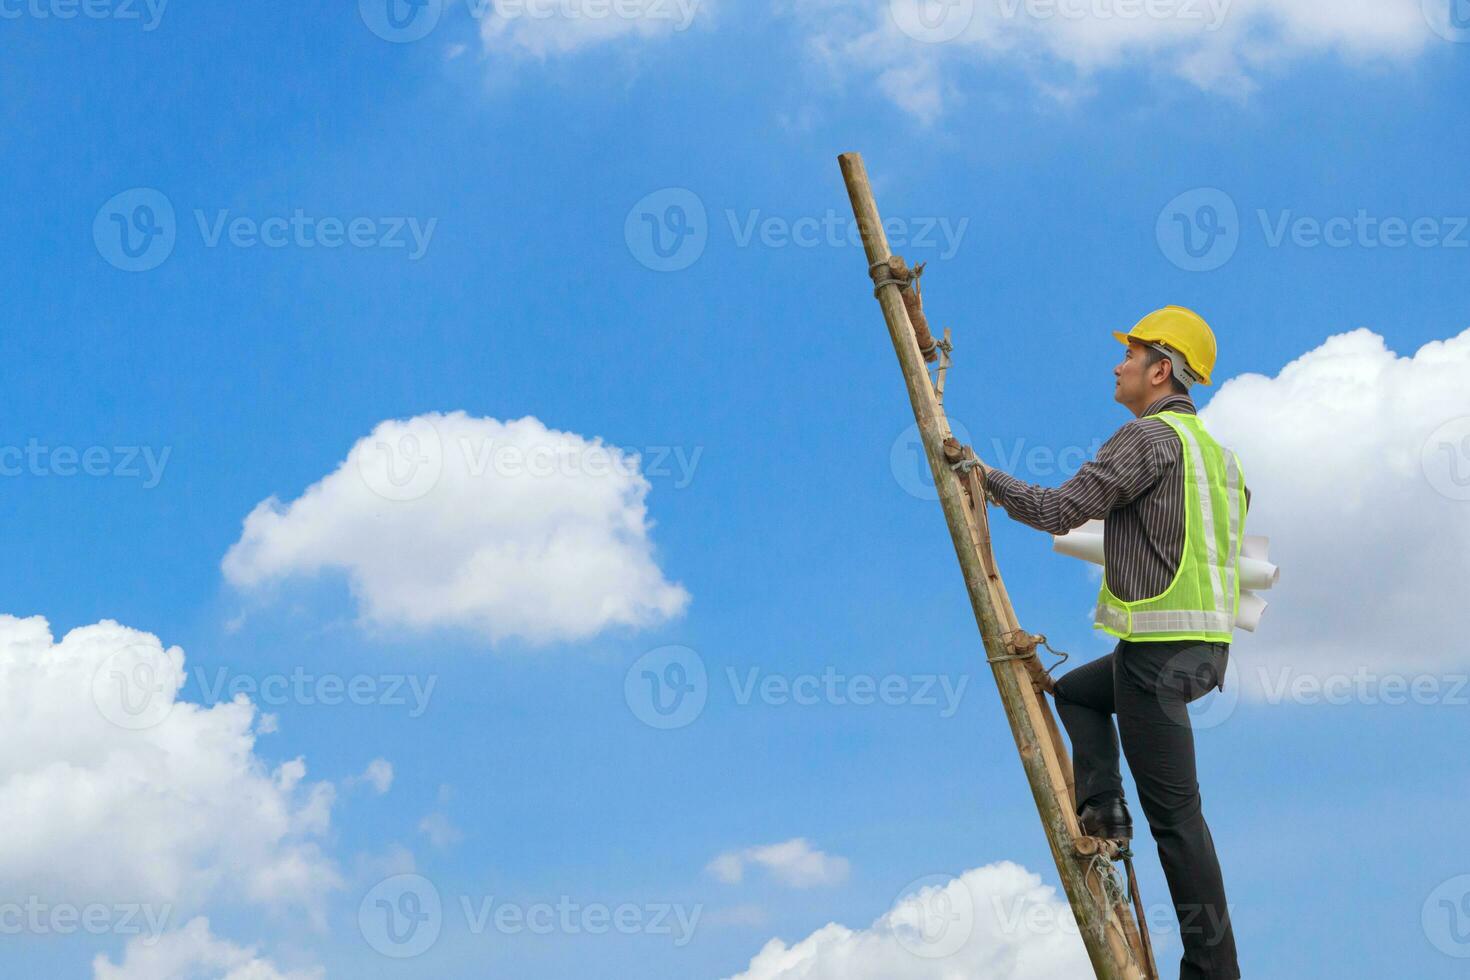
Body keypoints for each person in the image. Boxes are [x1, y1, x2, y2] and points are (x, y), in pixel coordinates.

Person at [975, 306, 1244, 980]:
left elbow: (1059, 511)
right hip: (1203, 654)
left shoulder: (1145, 439)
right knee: (1077, 694)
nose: (1117, 365)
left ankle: (1213, 973)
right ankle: (1103, 807)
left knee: (1179, 823)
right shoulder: (1217, 456)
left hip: (1155, 657)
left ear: (1160, 369)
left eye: (1129, 354)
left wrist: (983, 479)